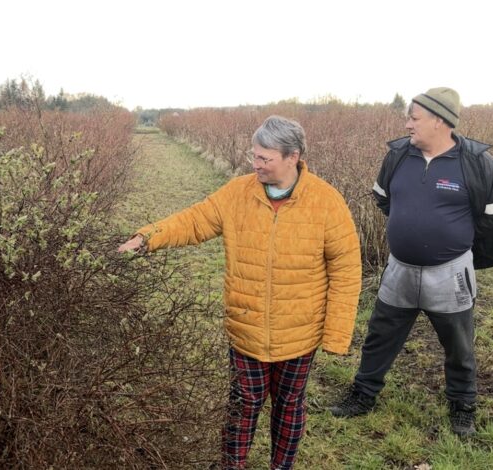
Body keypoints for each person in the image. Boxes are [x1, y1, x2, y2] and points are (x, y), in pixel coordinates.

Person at [118, 115, 362, 469]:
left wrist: (336, 334)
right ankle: (233, 465)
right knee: (243, 402)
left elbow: (346, 270)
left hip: (299, 332)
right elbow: (195, 220)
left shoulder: (326, 202)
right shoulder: (237, 193)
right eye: (254, 155)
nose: (256, 164)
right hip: (246, 327)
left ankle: (281, 465)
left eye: (265, 158)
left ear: (293, 157)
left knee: (289, 403)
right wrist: (147, 237)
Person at [328, 87, 493, 437]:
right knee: (379, 337)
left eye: (414, 118)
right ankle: (362, 395)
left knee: (459, 346)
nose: (407, 124)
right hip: (399, 269)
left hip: (450, 275)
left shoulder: (477, 163)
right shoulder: (399, 155)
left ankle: (462, 408)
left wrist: (459, 234)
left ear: (439, 120)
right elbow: (382, 198)